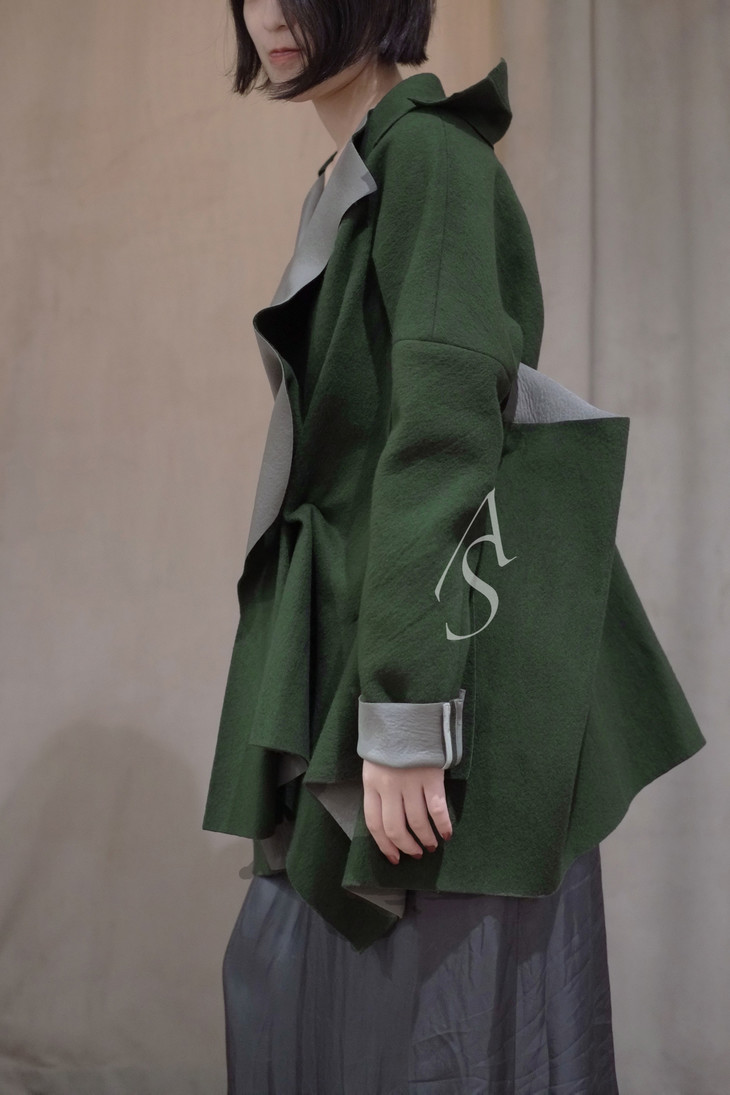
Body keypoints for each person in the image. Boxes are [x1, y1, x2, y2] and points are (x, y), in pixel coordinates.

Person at [202, 1, 706, 1091]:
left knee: (435, 1015)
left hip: (431, 659)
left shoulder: (430, 161)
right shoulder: (363, 171)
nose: (270, 12)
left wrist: (406, 717)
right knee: (344, 1007)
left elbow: (444, 433)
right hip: (370, 639)